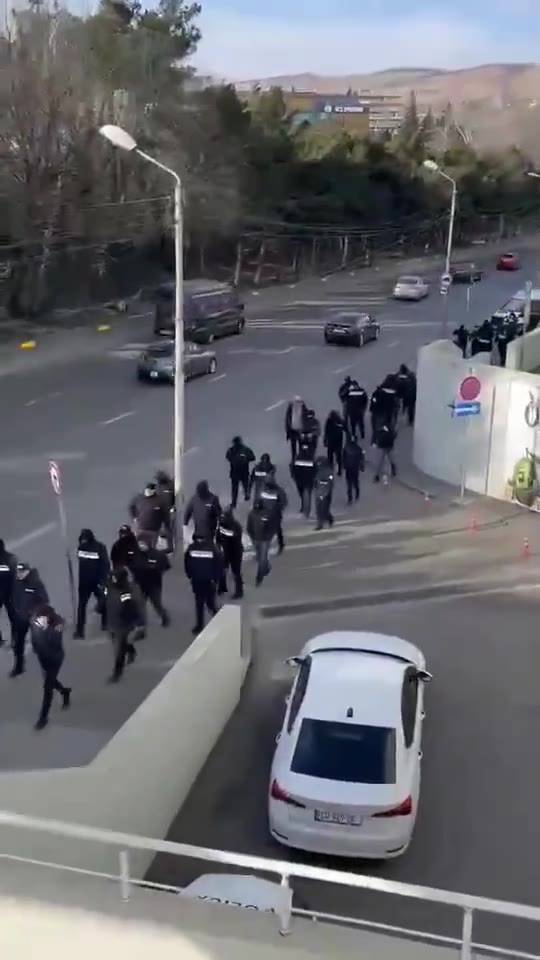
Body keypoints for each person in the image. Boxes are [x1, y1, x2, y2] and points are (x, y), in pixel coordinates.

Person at [30, 604, 71, 730]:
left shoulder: (56, 628)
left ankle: (43, 718)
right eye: (38, 619)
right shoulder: (35, 622)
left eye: (42, 619)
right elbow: (34, 637)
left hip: (55, 659)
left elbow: (55, 643)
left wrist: (48, 630)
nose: (39, 621)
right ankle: (65, 692)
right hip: (43, 658)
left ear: (48, 618)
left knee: (48, 688)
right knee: (51, 681)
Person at [105, 566, 146, 683]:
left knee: (118, 650)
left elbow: (137, 607)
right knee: (119, 643)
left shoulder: (130, 590)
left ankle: (116, 674)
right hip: (112, 621)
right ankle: (131, 650)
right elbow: (105, 597)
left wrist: (140, 624)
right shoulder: (110, 586)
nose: (112, 579)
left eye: (114, 578)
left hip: (124, 624)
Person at [10, 562, 49, 678]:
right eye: (18, 571)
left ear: (27, 571)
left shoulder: (36, 583)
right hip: (21, 618)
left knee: (39, 644)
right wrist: (16, 609)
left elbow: (44, 600)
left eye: (22, 572)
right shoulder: (17, 582)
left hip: (33, 618)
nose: (19, 574)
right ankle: (18, 667)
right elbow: (14, 596)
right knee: (18, 644)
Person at [74, 528, 109, 639]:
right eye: (82, 539)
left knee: (103, 602)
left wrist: (103, 581)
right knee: (81, 607)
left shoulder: (99, 547)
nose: (83, 541)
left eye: (85, 539)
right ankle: (80, 631)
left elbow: (105, 565)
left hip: (97, 581)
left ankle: (106, 623)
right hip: (84, 582)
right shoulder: (80, 548)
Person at [184, 534, 222, 634]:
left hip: (204, 580)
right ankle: (201, 624)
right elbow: (187, 563)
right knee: (202, 604)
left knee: (206, 603)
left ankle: (202, 624)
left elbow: (218, 565)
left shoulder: (193, 548)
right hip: (203, 580)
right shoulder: (211, 548)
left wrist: (190, 575)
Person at [132, 535, 171, 626]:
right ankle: (140, 622)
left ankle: (164, 617)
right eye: (139, 543)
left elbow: (166, 566)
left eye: (143, 544)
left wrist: (158, 573)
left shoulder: (158, 555)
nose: (141, 546)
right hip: (139, 584)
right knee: (140, 605)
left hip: (154, 585)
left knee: (157, 604)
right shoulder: (134, 555)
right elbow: (130, 566)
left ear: (149, 544)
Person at [217, 507, 244, 599]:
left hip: (235, 552)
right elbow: (218, 538)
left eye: (224, 517)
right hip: (225, 552)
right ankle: (222, 587)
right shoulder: (222, 525)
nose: (223, 519)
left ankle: (239, 592)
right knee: (222, 570)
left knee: (236, 572)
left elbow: (233, 536)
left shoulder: (236, 526)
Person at [247, 498, 275, 586]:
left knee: (262, 558)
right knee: (260, 556)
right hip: (256, 539)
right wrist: (252, 538)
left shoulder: (267, 513)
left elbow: (271, 526)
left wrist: (269, 537)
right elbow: (249, 527)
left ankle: (259, 577)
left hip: (265, 540)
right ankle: (266, 567)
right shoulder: (251, 514)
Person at [260, 475, 288, 553]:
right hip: (265, 514)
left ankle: (280, 545)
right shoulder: (264, 490)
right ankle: (263, 549)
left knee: (277, 530)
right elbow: (260, 501)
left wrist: (277, 509)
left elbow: (283, 502)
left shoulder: (278, 491)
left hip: (275, 514)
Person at [226, 436, 255, 508]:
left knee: (245, 487)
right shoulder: (231, 450)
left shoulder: (245, 449)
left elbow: (253, 457)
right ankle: (234, 502)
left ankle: (247, 499)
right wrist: (234, 460)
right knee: (235, 489)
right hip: (235, 472)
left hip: (243, 472)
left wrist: (245, 459)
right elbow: (227, 457)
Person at [291, 438, 316, 517]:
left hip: (300, 480)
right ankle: (306, 510)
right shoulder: (311, 458)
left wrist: (294, 476)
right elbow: (315, 469)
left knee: (302, 494)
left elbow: (293, 468)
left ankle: (304, 507)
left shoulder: (298, 458)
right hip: (308, 480)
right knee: (308, 494)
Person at [0, 538, 17, 647]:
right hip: (9, 593)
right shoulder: (11, 558)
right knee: (14, 617)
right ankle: (15, 641)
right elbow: (15, 576)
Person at [155, 469, 175, 550]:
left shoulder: (171, 485)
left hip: (168, 510)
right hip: (160, 510)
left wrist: (173, 506)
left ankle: (170, 546)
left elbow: (175, 497)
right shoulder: (158, 487)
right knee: (157, 527)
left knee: (168, 528)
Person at [313, 457, 334, 530]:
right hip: (319, 492)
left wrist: (326, 492)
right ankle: (320, 523)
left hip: (325, 493)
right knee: (319, 508)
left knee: (324, 508)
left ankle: (328, 519)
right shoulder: (317, 471)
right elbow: (315, 481)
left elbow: (330, 483)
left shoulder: (328, 472)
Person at [343, 435, 365, 503]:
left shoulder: (346, 448)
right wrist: (362, 467)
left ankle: (350, 497)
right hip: (355, 468)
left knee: (349, 483)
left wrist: (344, 465)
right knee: (355, 481)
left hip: (348, 468)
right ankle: (357, 492)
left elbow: (343, 458)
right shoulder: (359, 449)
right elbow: (362, 459)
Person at [324, 410, 345, 475]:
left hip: (332, 441)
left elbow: (326, 431)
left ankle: (331, 468)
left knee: (331, 456)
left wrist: (325, 440)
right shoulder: (340, 421)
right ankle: (339, 470)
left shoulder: (329, 421)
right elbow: (345, 428)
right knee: (338, 456)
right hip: (338, 442)